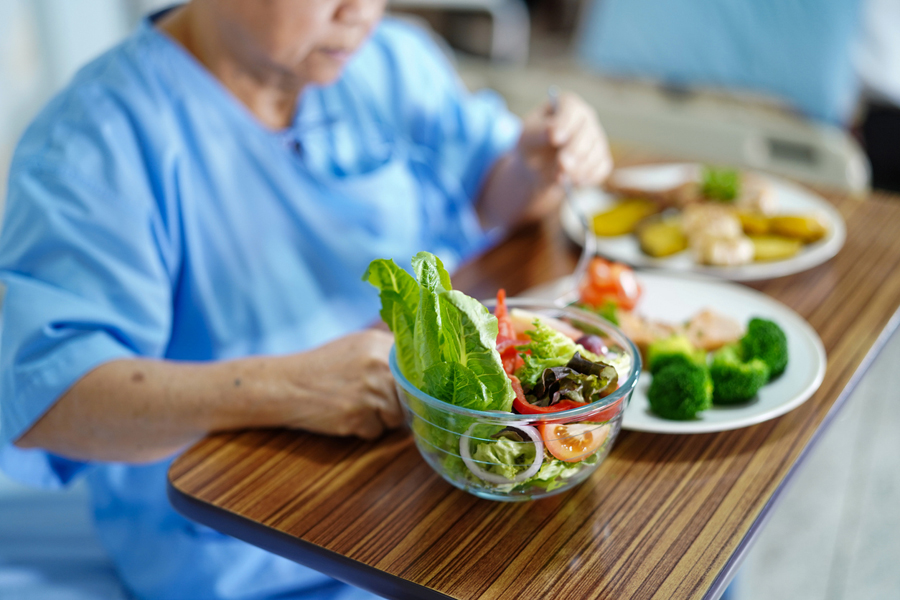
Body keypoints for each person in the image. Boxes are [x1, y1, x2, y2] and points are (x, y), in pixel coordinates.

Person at [0, 1, 612, 598]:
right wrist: (289, 389)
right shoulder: (96, 141)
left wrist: (535, 169)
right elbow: (50, 396)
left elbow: (490, 197)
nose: (362, 12)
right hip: (241, 548)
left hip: (425, 494)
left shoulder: (390, 62)